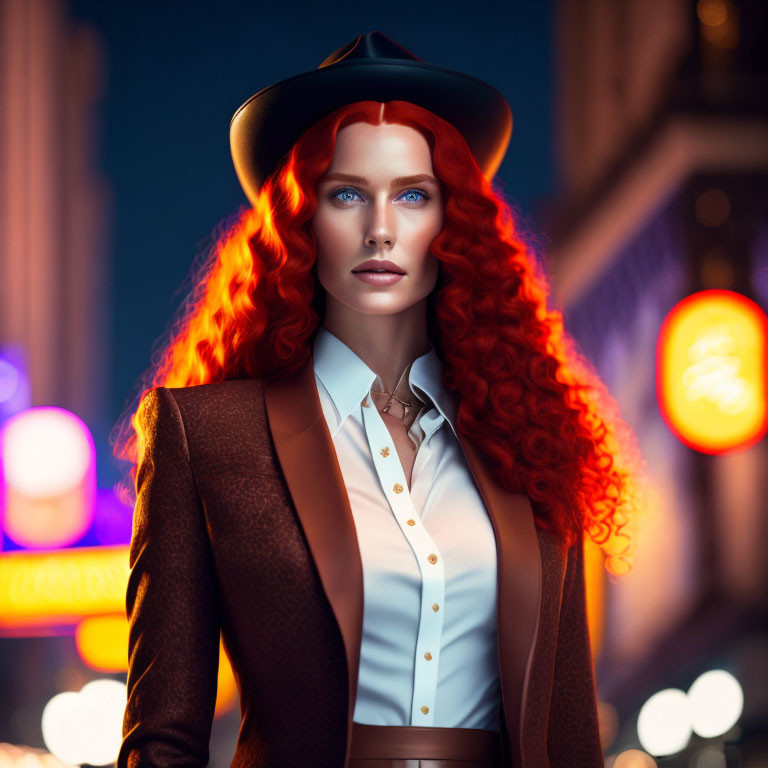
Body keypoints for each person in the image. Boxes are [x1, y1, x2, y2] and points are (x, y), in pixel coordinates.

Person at [114, 30, 643, 768]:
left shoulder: (534, 438)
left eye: (414, 195)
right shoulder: (207, 438)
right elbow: (162, 739)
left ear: (453, 222)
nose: (382, 229)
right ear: (301, 219)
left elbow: (570, 736)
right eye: (347, 194)